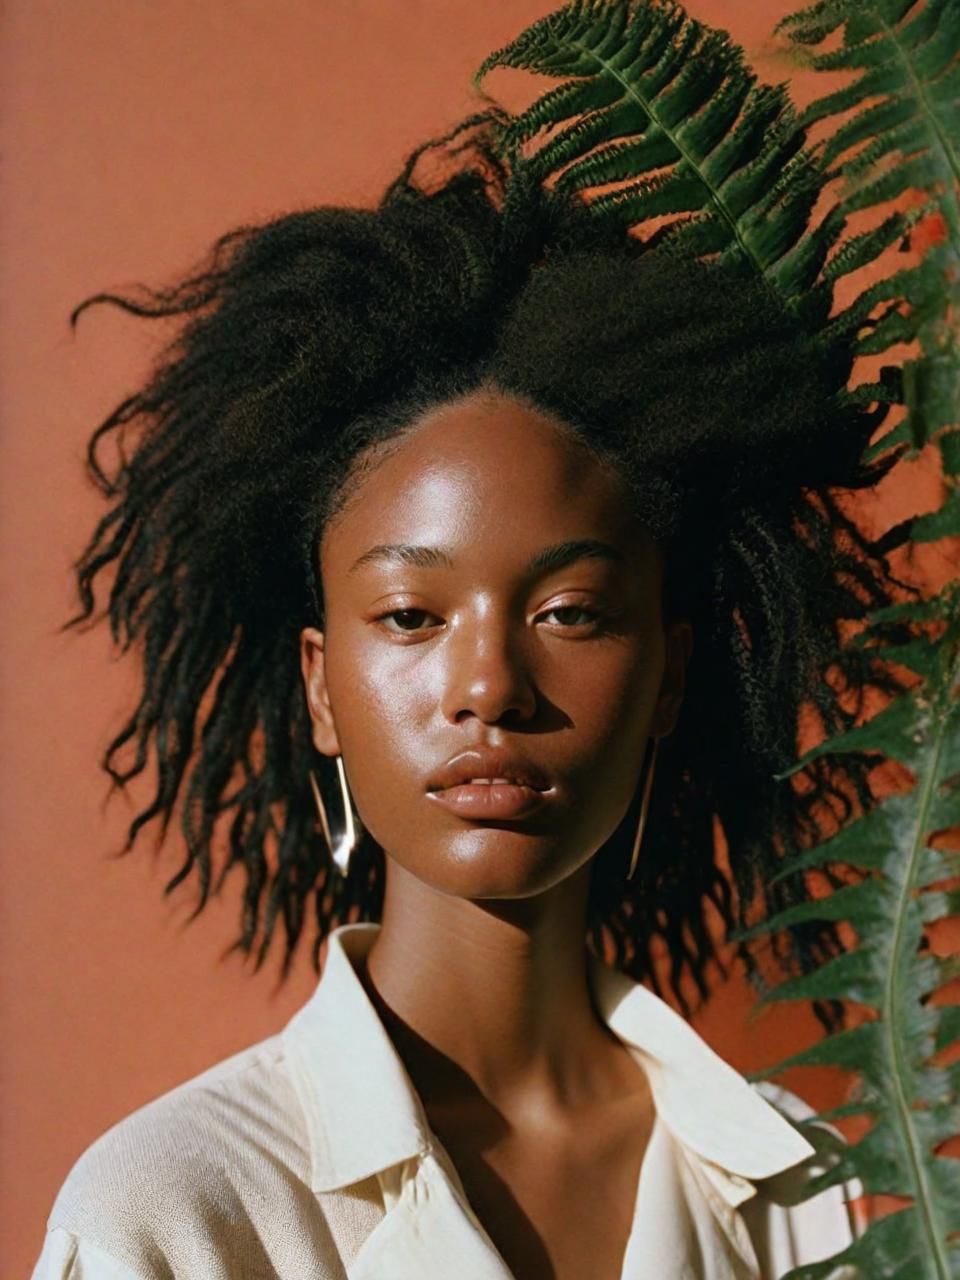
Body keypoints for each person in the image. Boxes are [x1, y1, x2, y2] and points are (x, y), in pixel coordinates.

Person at [31, 117, 897, 1279]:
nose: (489, 686)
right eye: (409, 616)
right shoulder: (176, 1212)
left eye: (572, 611)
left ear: (668, 679)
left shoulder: (815, 1197)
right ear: (320, 687)